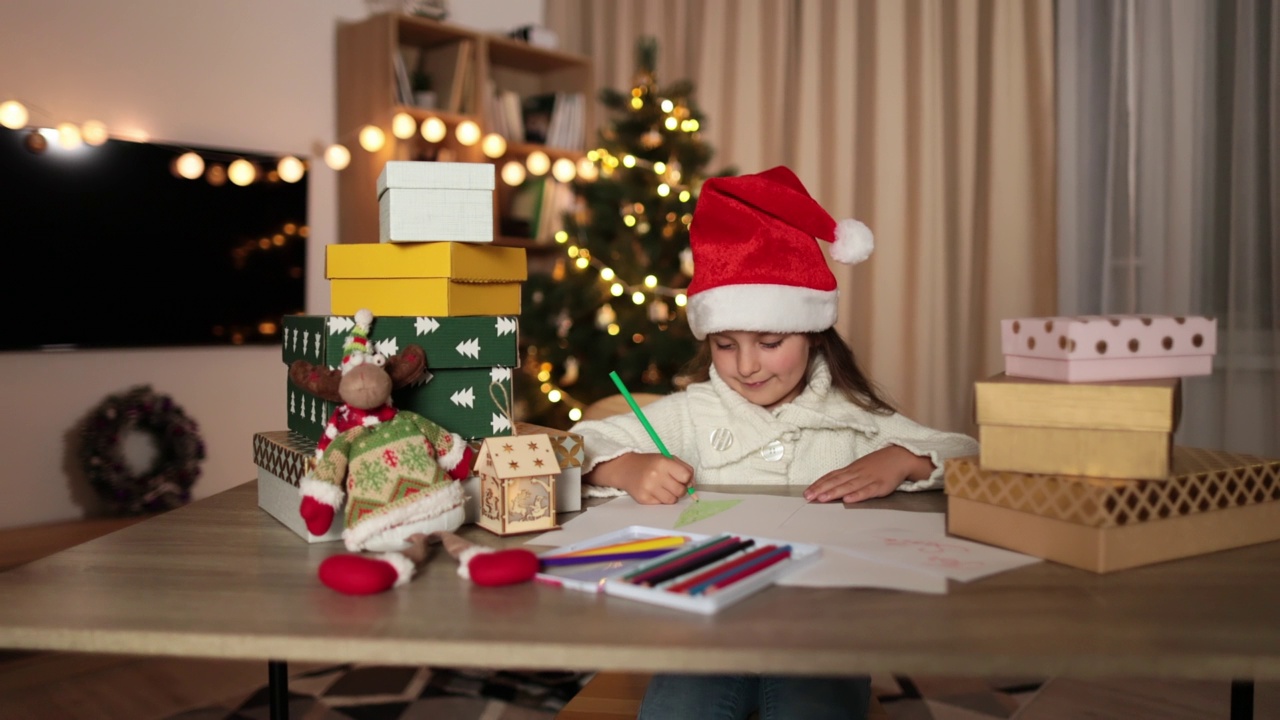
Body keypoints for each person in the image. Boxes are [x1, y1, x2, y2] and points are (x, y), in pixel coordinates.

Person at [568, 166, 979, 720]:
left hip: (823, 628)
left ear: (812, 333)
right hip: (702, 623)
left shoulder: (852, 417)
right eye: (726, 344)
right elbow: (581, 444)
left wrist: (904, 458)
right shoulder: (691, 414)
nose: (747, 365)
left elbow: (968, 453)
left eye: (770, 341)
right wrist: (626, 468)